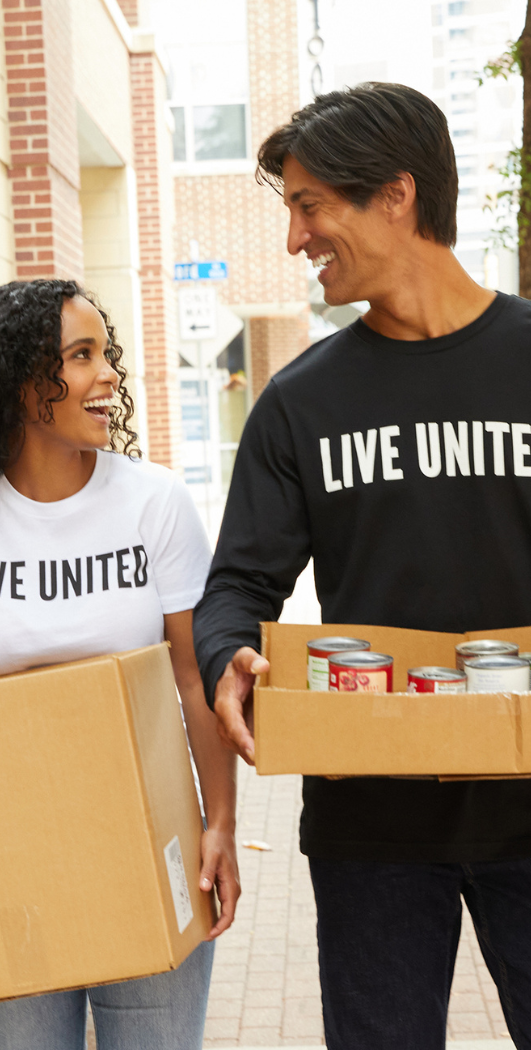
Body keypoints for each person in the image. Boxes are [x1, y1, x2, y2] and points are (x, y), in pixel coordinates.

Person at [193, 82, 531, 1050]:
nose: (295, 238)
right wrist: (228, 659)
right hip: (373, 827)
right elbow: (237, 588)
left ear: (395, 194)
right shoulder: (300, 404)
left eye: (308, 205)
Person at [0, 278, 240, 1050]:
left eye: (107, 353)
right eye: (81, 356)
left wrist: (221, 823)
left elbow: (193, 676)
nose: (109, 375)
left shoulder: (154, 503)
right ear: (17, 377)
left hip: (149, 837)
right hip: (9, 851)